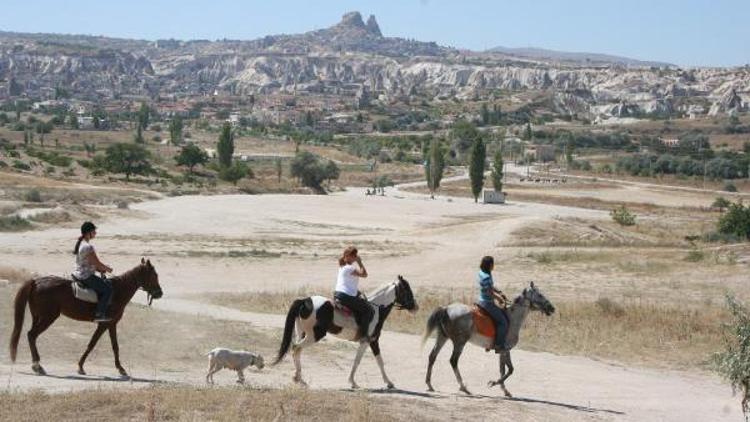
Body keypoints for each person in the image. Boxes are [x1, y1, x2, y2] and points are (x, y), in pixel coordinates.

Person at [72, 222, 114, 322]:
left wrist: (99, 269)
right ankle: (99, 314)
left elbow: (90, 263)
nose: (95, 233)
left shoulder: (81, 244)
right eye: (94, 231)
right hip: (86, 276)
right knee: (107, 290)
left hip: (79, 273)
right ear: (88, 233)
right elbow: (97, 262)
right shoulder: (88, 247)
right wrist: (108, 269)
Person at [334, 246, 373, 341]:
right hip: (345, 296)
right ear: (347, 256)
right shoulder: (350, 268)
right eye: (353, 255)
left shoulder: (342, 267)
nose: (355, 257)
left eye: (355, 255)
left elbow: (347, 283)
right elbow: (365, 274)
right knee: (368, 310)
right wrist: (359, 262)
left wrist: (357, 292)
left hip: (338, 294)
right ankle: (363, 336)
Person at [476, 256, 509, 352]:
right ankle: (498, 345)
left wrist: (499, 292)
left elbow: (491, 287)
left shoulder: (483, 272)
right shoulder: (486, 277)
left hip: (481, 300)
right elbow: (489, 292)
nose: (494, 266)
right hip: (487, 303)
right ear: (490, 265)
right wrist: (499, 298)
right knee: (503, 323)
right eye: (493, 264)